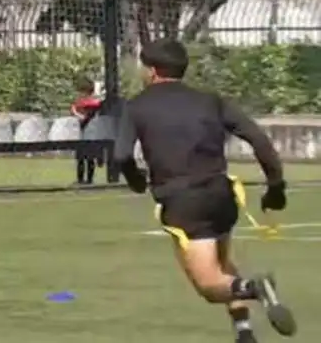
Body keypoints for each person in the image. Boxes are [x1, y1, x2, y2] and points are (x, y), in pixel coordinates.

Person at [113, 38, 293, 343]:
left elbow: (121, 155)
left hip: (184, 202)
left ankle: (253, 288)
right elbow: (258, 138)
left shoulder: (137, 106)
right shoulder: (211, 100)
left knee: (209, 285)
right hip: (222, 196)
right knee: (223, 265)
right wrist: (275, 186)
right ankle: (244, 333)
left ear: (152, 72)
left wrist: (135, 180)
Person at [70, 76, 102, 185]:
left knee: (87, 158)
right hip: (85, 133)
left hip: (89, 134)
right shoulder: (91, 103)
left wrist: (75, 111)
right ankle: (83, 179)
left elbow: (84, 118)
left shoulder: (92, 104)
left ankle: (87, 180)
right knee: (82, 158)